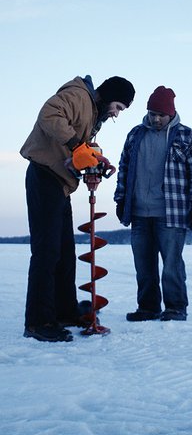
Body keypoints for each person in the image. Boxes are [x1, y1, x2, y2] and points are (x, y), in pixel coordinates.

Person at [20, 75, 135, 342]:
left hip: (61, 182)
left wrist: (93, 158)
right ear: (108, 95)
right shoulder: (78, 95)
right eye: (118, 106)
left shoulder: (93, 112)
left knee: (64, 252)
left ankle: (63, 312)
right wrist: (77, 146)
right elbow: (49, 114)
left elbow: (79, 146)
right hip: (44, 175)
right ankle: (38, 322)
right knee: (46, 251)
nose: (116, 114)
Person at [114, 86, 192, 322]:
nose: (156, 119)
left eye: (161, 115)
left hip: (171, 214)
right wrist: (121, 198)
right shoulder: (135, 135)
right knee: (144, 267)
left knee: (171, 266)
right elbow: (124, 168)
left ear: (171, 114)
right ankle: (148, 307)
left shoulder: (187, 136)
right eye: (152, 113)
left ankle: (175, 307)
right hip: (139, 213)